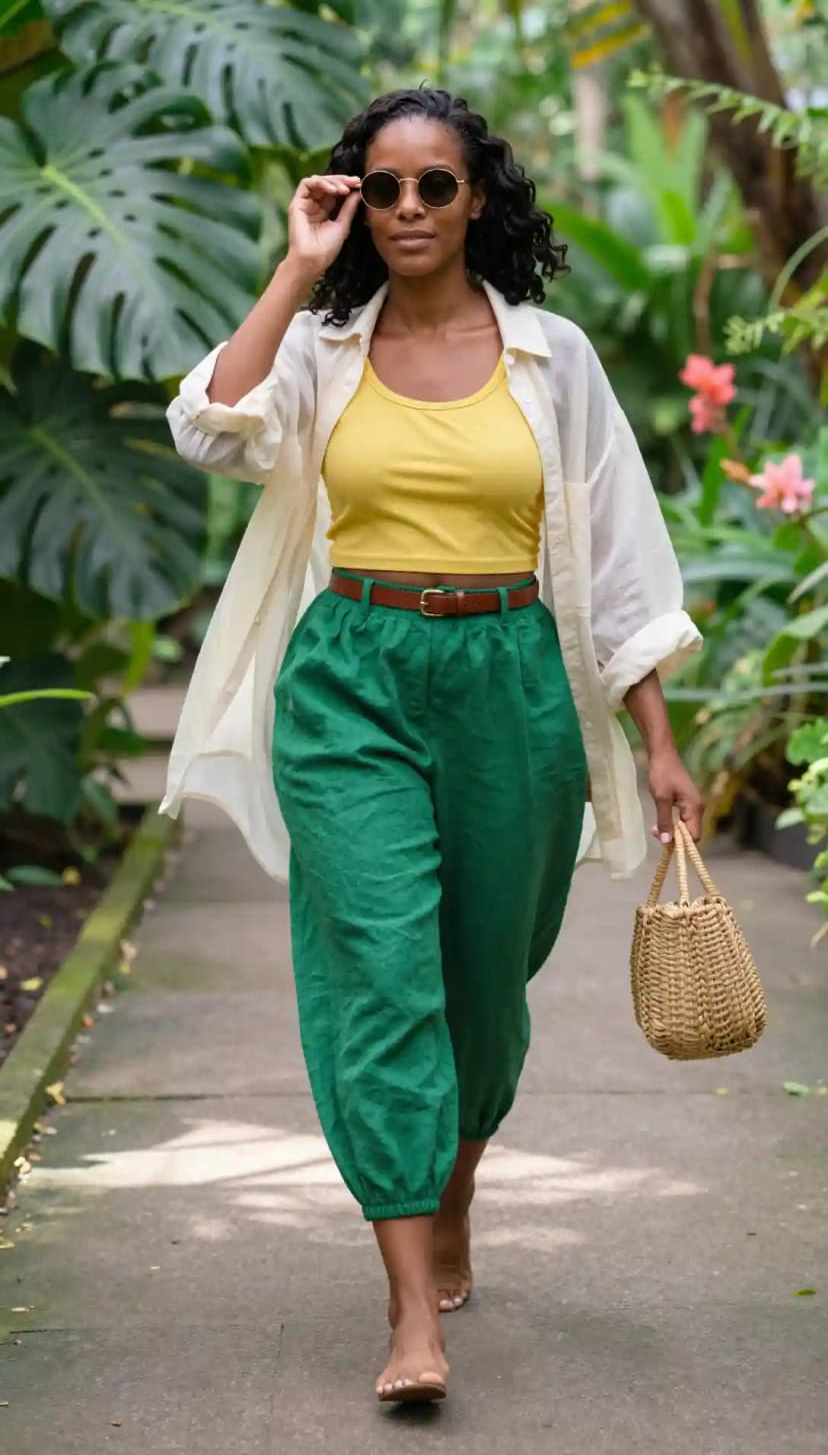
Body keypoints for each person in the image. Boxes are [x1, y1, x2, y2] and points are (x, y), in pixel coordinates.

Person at [162, 85, 705, 1406]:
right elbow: (208, 424)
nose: (407, 209)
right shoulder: (323, 347)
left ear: (478, 201)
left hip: (513, 682)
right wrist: (298, 268)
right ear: (353, 198)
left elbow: (624, 558)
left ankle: (451, 1177)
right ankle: (412, 1309)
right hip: (352, 677)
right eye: (382, 187)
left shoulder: (551, 359)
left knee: (484, 987)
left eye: (434, 187)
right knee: (384, 971)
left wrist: (659, 739)